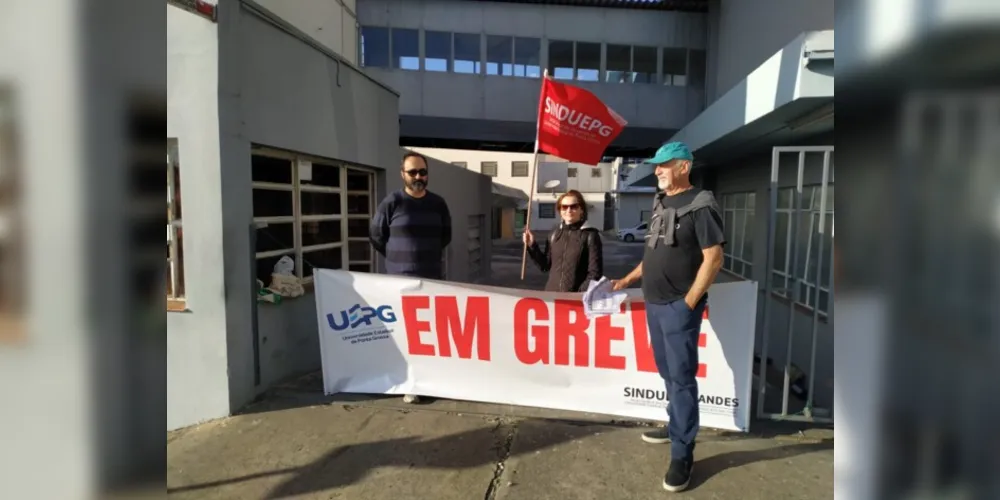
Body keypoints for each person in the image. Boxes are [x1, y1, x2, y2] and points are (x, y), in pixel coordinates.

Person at [611, 141, 725, 493]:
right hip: (654, 303)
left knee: (681, 378)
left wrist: (690, 301)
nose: (657, 170)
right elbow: (655, 253)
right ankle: (675, 424)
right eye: (657, 165)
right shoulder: (660, 202)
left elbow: (714, 257)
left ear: (684, 167)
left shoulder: (700, 204)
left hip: (678, 307)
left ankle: (682, 452)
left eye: (664, 164)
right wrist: (628, 279)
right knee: (666, 371)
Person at [370, 151, 452, 404]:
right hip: (399, 282)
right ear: (402, 174)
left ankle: (427, 381)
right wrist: (399, 259)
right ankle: (408, 383)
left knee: (427, 334)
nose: (418, 176)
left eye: (422, 172)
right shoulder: (392, 202)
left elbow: (445, 238)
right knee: (403, 334)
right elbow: (376, 235)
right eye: (413, 172)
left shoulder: (438, 203)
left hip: (431, 280)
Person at [522, 189, 603, 292]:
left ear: (581, 209)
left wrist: (577, 293)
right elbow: (545, 265)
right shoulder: (554, 234)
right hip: (551, 295)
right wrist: (532, 245)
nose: (568, 210)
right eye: (564, 207)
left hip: (574, 300)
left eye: (573, 206)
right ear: (560, 211)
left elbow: (595, 273)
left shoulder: (591, 235)